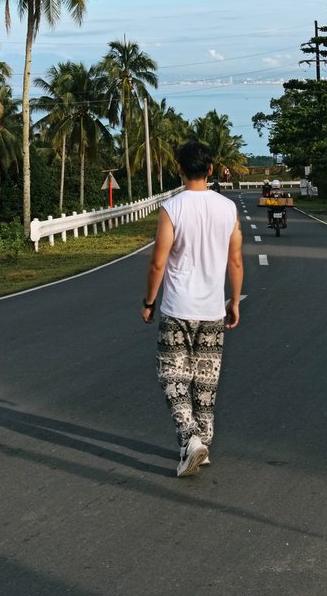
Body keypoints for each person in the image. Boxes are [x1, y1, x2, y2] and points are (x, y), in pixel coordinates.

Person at [141, 140, 244, 478]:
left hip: (177, 309)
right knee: (205, 381)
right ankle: (204, 441)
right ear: (211, 169)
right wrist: (233, 300)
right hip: (212, 310)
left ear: (180, 170)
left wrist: (149, 302)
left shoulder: (173, 208)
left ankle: (189, 440)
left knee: (171, 375)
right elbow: (235, 260)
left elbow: (158, 262)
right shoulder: (227, 208)